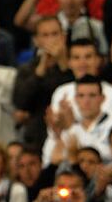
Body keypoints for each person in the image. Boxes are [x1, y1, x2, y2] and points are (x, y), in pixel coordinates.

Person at [13, 16, 72, 149]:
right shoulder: (27, 69)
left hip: (70, 132)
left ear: (63, 37)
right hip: (37, 136)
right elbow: (21, 102)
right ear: (36, 40)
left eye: (55, 34)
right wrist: (41, 68)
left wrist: (63, 64)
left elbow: (75, 95)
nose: (51, 39)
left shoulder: (75, 65)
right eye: (45, 35)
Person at [15, 0, 109, 54]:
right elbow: (20, 21)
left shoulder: (96, 27)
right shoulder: (46, 24)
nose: (70, 0)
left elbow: (104, 56)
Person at [42, 75, 112, 166]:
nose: (86, 101)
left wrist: (71, 128)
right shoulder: (69, 126)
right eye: (81, 96)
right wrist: (57, 136)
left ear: (102, 98)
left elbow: (106, 155)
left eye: (92, 95)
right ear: (75, 99)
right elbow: (53, 158)